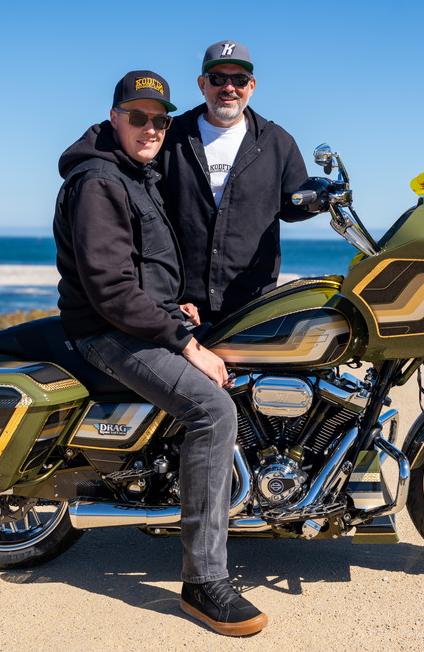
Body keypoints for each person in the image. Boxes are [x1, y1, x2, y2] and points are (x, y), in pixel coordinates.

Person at [52, 70, 268, 637]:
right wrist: (183, 341)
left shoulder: (135, 174)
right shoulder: (98, 181)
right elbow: (110, 290)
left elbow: (141, 271)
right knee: (212, 409)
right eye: (139, 116)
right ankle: (204, 582)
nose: (151, 128)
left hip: (137, 322)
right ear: (115, 117)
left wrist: (174, 307)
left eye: (160, 119)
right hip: (107, 332)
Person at [159, 40, 319, 324]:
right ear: (202, 84)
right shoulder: (170, 136)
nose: (229, 87)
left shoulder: (278, 142)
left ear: (252, 86)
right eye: (218, 78)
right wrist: (162, 296)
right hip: (180, 305)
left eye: (240, 80)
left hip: (252, 305)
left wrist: (319, 198)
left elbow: (293, 207)